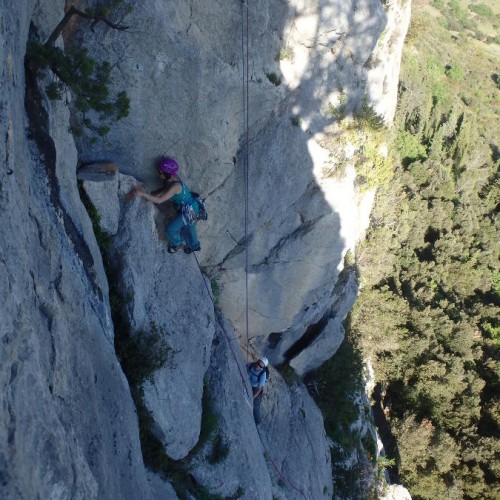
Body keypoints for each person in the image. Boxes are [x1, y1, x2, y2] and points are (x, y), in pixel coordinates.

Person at [133, 157, 201, 254]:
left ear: (167, 174)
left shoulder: (175, 186)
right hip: (188, 206)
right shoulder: (171, 179)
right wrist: (151, 196)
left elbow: (160, 200)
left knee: (171, 229)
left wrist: (143, 194)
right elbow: (165, 191)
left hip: (190, 209)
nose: (158, 174)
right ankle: (194, 246)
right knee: (189, 227)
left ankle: (178, 244)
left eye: (160, 172)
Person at [247, 357, 269, 425]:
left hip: (256, 389)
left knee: (256, 405)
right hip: (248, 384)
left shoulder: (263, 374)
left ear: (263, 367)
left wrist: (252, 397)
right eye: (258, 363)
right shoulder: (250, 365)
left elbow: (259, 389)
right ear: (257, 361)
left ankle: (257, 421)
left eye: (260, 366)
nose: (258, 366)